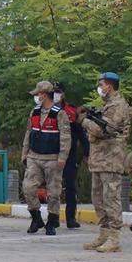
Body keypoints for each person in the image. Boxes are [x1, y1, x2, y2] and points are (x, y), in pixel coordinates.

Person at [78, 72, 132, 251]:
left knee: (111, 197)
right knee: (98, 198)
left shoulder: (118, 105)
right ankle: (104, 233)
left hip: (111, 159)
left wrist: (84, 122)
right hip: (99, 159)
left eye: (101, 84)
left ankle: (115, 238)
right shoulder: (106, 105)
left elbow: (104, 130)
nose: (99, 87)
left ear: (109, 85)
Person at [21, 81, 71, 236]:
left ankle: (52, 220)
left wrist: (63, 156)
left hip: (52, 158)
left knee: (53, 192)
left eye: (38, 94)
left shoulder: (59, 113)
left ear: (44, 94)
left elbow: (65, 137)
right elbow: (28, 133)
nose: (36, 97)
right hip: (34, 156)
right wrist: (24, 152)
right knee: (28, 187)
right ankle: (36, 217)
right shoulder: (35, 111)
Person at [52, 82, 89, 229]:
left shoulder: (70, 110)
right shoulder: (46, 110)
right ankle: (53, 217)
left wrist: (87, 152)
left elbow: (81, 135)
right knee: (53, 187)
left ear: (63, 93)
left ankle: (70, 218)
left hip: (69, 155)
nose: (56, 94)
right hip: (51, 154)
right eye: (53, 91)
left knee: (70, 187)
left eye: (58, 91)